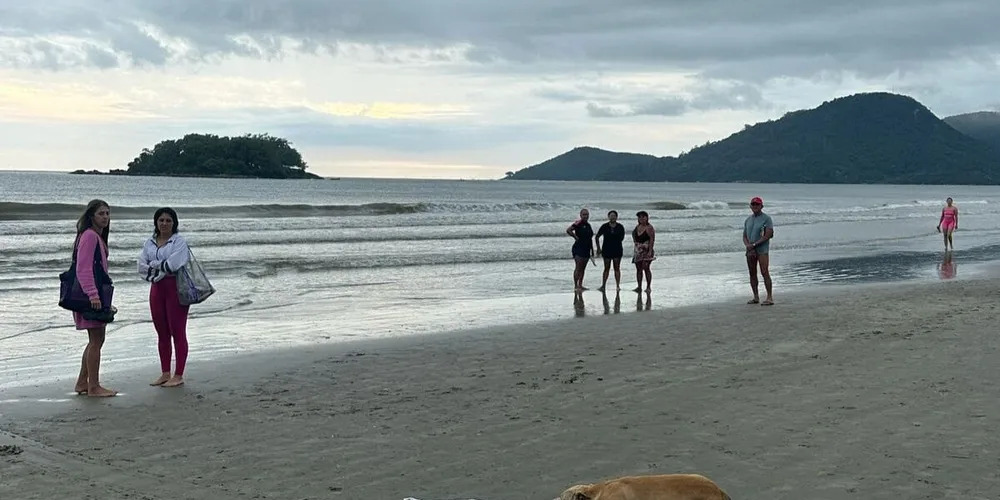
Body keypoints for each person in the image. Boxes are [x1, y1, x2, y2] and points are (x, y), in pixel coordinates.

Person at [137, 207, 192, 388]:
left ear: (174, 223)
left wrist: (154, 265)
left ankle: (179, 374)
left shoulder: (179, 242)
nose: (165, 223)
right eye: (161, 220)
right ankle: (165, 372)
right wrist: (158, 267)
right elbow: (140, 266)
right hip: (156, 289)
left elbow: (174, 264)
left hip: (175, 289)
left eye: (168, 220)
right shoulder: (149, 243)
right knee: (162, 332)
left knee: (178, 332)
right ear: (156, 222)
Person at [72, 199, 118, 397]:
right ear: (91, 216)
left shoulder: (95, 236)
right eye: (101, 213)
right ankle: (93, 386)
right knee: (96, 339)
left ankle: (83, 382)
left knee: (96, 339)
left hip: (96, 294)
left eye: (107, 213)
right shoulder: (90, 236)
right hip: (91, 295)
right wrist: (92, 294)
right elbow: (83, 268)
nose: (105, 217)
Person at [743, 196, 774, 306]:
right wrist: (748, 245)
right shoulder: (748, 220)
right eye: (753, 204)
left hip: (762, 249)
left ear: (762, 206)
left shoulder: (766, 219)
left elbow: (768, 234)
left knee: (764, 272)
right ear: (750, 206)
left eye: (757, 204)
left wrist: (755, 244)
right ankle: (756, 297)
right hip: (750, 250)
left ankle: (769, 297)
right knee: (752, 273)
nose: (755, 206)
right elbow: (744, 236)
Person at [595, 210, 626, 292]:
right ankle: (603, 285)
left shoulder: (620, 227)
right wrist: (598, 248)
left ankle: (618, 286)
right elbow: (597, 237)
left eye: (614, 216)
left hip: (617, 250)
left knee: (617, 268)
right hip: (606, 250)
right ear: (608, 217)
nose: (613, 217)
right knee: (606, 268)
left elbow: (622, 238)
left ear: (616, 217)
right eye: (611, 216)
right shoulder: (604, 226)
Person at [566, 208, 595, 290]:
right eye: (584, 214)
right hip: (578, 248)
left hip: (587, 249)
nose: (586, 216)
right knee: (578, 267)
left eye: (587, 214)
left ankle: (580, 285)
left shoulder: (589, 225)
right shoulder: (578, 223)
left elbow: (590, 238)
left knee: (583, 268)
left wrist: (592, 251)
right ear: (581, 215)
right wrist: (575, 236)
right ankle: (575, 285)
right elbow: (568, 230)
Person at [631, 210, 655, 293]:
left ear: (647, 218)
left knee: (646, 268)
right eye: (639, 217)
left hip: (646, 250)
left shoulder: (649, 228)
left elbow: (652, 240)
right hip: (638, 251)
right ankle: (639, 286)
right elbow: (633, 234)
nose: (641, 218)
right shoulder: (637, 226)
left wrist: (650, 251)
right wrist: (636, 243)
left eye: (643, 217)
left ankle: (648, 287)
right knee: (638, 269)